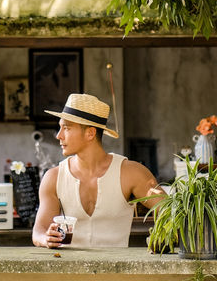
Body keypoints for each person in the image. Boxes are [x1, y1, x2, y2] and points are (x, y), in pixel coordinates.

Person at [32, 92, 166, 249]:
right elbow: (38, 230)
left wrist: (161, 235)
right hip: (69, 272)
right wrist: (46, 238)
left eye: (66, 128)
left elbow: (170, 209)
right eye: (60, 128)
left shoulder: (131, 173)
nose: (59, 136)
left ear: (90, 133)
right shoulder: (53, 177)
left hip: (118, 272)